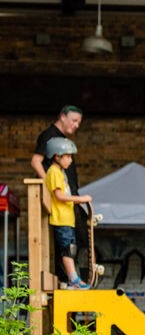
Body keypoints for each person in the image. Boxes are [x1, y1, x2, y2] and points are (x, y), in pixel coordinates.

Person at [32, 105, 86, 283]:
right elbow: (36, 161)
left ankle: (74, 280)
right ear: (62, 117)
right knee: (67, 245)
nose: (77, 125)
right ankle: (71, 279)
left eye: (79, 122)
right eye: (74, 120)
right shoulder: (50, 136)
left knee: (78, 240)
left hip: (69, 203)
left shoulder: (62, 140)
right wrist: (51, 185)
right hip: (61, 203)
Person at [43, 138, 92, 289]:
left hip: (67, 219)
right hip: (61, 219)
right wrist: (80, 199)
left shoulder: (60, 172)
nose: (70, 160)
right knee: (68, 249)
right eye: (68, 156)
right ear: (57, 156)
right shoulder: (54, 172)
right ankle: (73, 279)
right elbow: (59, 196)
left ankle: (73, 278)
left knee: (71, 248)